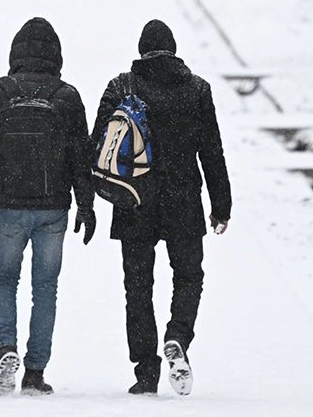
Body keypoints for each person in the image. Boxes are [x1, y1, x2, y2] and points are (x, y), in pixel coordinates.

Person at [92, 19, 231, 397]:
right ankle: (178, 337)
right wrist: (221, 205)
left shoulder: (121, 87)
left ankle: (146, 370)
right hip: (183, 199)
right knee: (188, 276)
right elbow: (211, 151)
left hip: (133, 200)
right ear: (173, 49)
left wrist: (90, 199)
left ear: (141, 51)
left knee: (137, 286)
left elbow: (99, 145)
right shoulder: (197, 89)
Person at [0, 17, 95, 396]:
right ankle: (35, 371)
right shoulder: (67, 96)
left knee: (4, 280)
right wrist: (87, 204)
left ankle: (6, 349)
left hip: (7, 208)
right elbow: (80, 159)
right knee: (45, 288)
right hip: (53, 209)